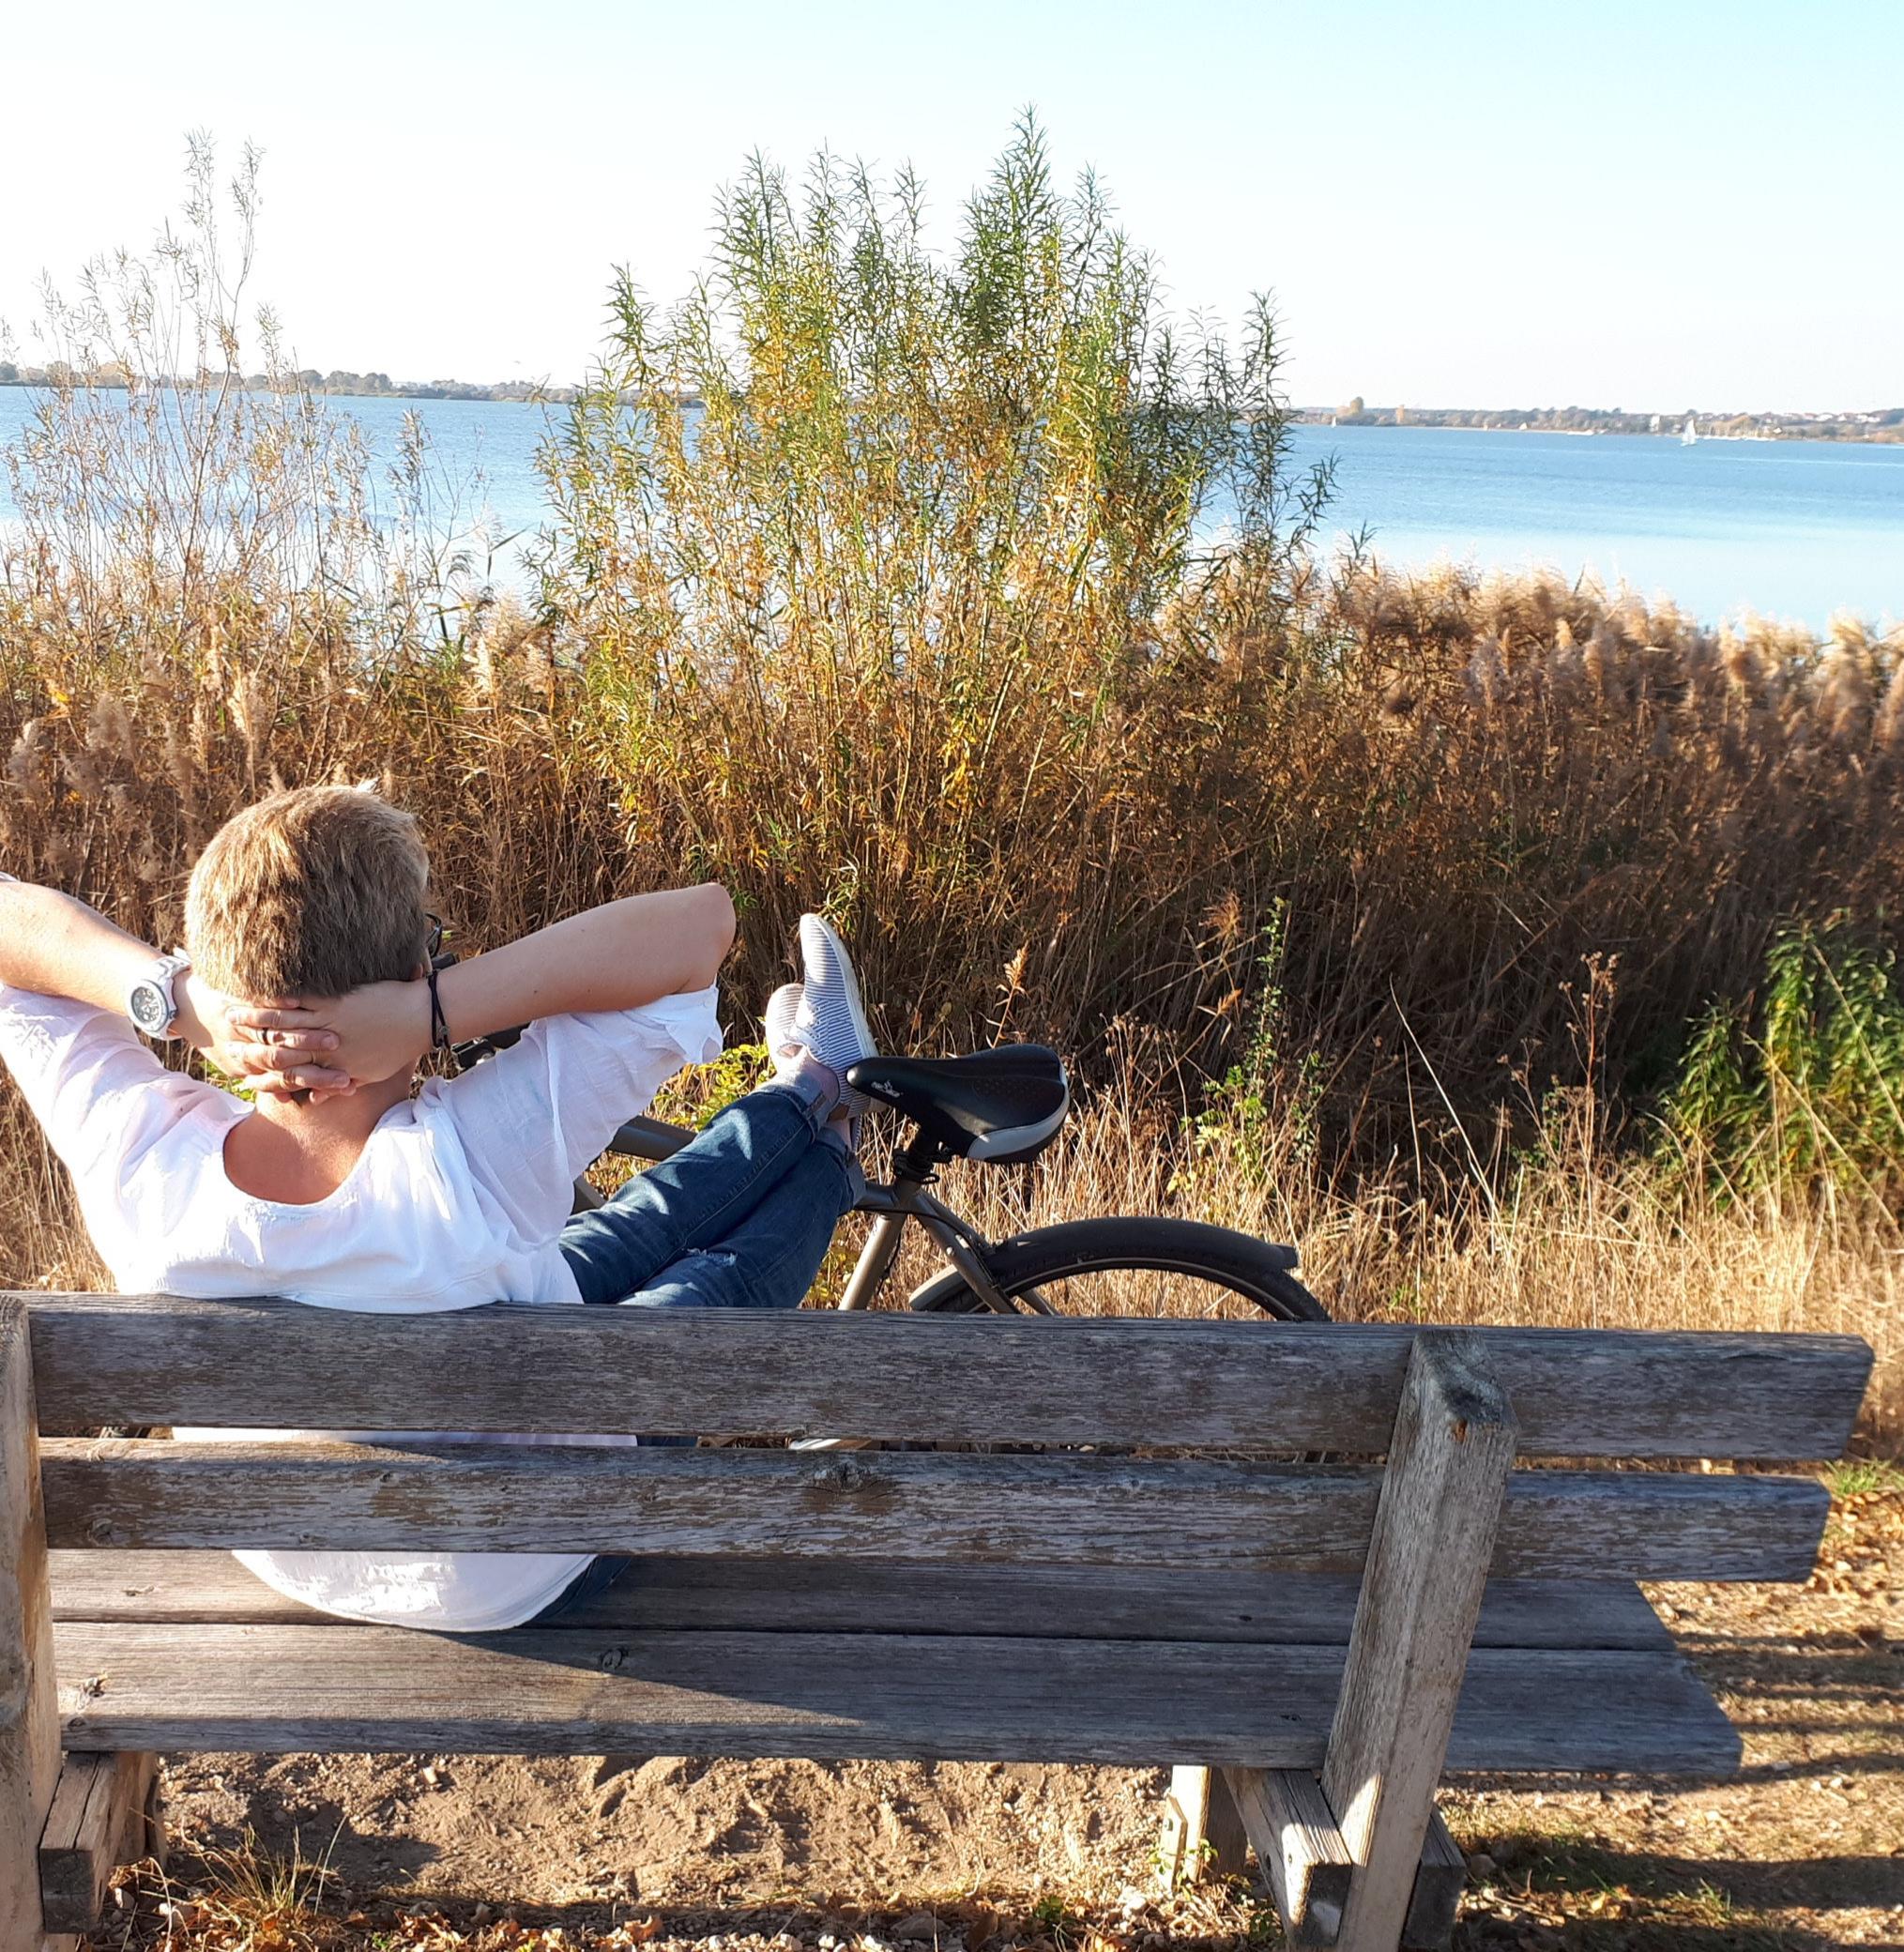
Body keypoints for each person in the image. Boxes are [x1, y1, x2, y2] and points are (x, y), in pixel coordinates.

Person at [0, 784, 879, 1631]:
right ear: (417, 966)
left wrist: (180, 1003)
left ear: (222, 973)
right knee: (704, 1290)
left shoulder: (139, 1157)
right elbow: (699, 927)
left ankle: (810, 1080)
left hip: (290, 1550)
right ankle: (832, 1123)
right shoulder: (469, 1155)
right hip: (527, 1561)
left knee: (624, 1230)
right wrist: (432, 1016)